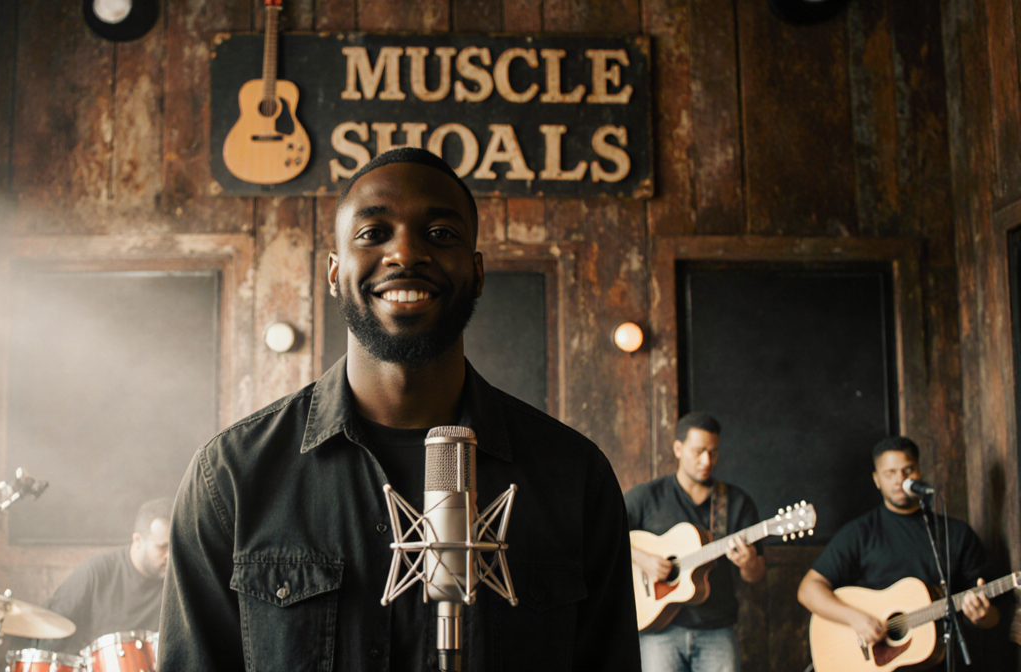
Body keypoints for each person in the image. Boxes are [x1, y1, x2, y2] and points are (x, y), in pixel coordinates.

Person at [159, 147, 642, 671]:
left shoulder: (575, 477)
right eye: (373, 233)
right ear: (333, 272)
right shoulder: (230, 477)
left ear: (477, 273)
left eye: (441, 234)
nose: (406, 252)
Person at [797, 436, 997, 659]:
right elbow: (808, 590)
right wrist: (855, 618)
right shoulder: (860, 533)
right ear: (877, 480)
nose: (899, 480)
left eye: (907, 470)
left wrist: (982, 616)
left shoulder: (958, 534)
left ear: (919, 471)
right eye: (890, 473)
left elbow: (993, 617)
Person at [625, 412, 766, 672]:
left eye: (713, 452)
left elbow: (755, 575)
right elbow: (604, 535)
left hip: (717, 629)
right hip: (659, 631)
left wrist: (749, 563)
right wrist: (642, 559)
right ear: (678, 449)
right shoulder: (647, 497)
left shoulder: (736, 503)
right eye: (698, 451)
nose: (706, 461)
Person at [36, 497, 171, 654]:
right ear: (138, 540)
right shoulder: (95, 573)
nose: (170, 555)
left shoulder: (177, 580)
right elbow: (48, 628)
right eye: (163, 547)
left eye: (175, 546)